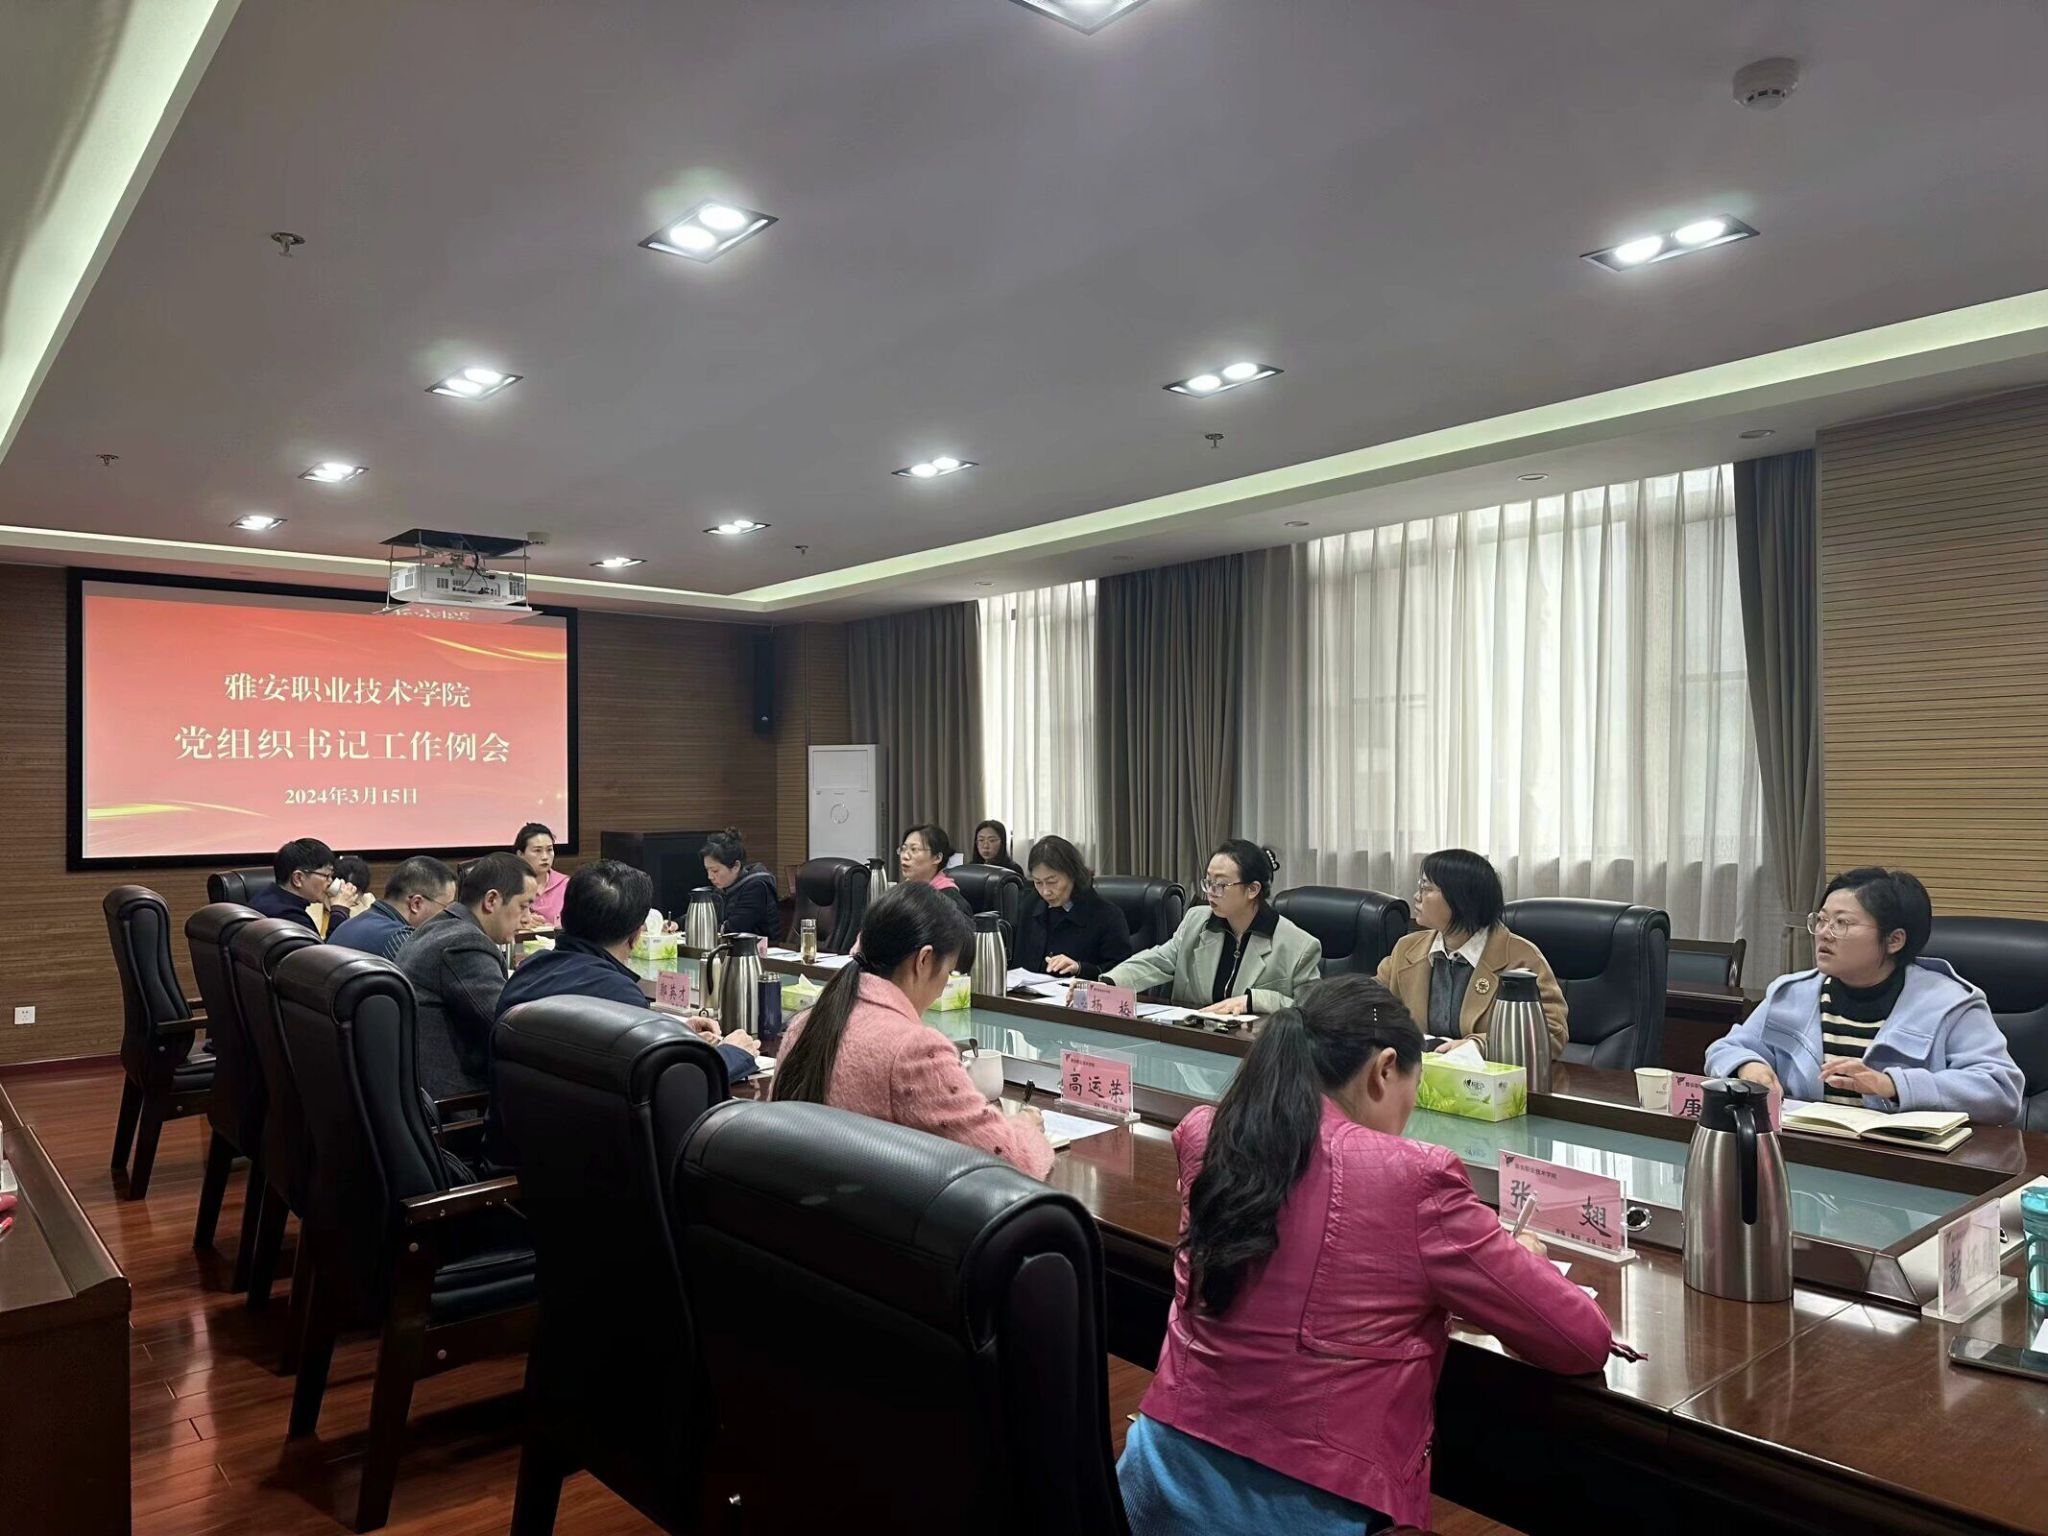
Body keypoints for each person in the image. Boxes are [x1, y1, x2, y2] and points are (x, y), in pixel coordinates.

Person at [1119, 976, 1610, 1535]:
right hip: (1302, 1513)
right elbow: (1581, 1340)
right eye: (1413, 1090)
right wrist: (1525, 1259)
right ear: (1385, 1069)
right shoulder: (1415, 1176)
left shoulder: (1212, 1137)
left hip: (1150, 1488)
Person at [774, 882, 1053, 1177]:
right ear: (924, 960)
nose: (944, 986)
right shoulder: (915, 1049)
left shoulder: (806, 1023)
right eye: (948, 973)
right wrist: (1027, 1126)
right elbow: (1014, 1164)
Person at [1705, 866, 2023, 1123]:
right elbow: (1726, 1048)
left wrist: (1893, 1085)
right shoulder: (1792, 993)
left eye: (1842, 923)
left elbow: (2000, 1090)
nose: (1824, 933)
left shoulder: (1950, 1004)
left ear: (1894, 940)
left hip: (1909, 1165)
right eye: (1822, 920)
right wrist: (1749, 1066)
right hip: (1807, 1155)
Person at [498, 859, 757, 1083]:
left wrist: (673, 1032)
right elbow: (667, 1083)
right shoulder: (619, 998)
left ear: (565, 917)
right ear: (635, 935)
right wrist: (732, 1055)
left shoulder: (527, 972)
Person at [1376, 849, 1568, 1057]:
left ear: (1460, 898)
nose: (1417, 896)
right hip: (1421, 1072)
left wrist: (1480, 1046)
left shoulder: (1521, 958)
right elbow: (1370, 1004)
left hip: (1488, 1075)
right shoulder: (1407, 948)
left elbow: (1551, 1033)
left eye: (1426, 888)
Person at [1104, 841, 1321, 1016]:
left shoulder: (1298, 946)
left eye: (1221, 885)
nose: (1210, 892)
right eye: (1208, 882)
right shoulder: (1197, 921)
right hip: (1194, 1044)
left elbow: (1312, 1010)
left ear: (1253, 889)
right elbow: (1158, 961)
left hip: (1255, 1050)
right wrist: (1109, 982)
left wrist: (1255, 1001)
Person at [397, 851, 537, 1102]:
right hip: (453, 1103)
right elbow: (508, 1027)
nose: (527, 918)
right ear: (491, 900)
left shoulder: (437, 926)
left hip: (416, 1091)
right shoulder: (465, 943)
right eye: (523, 906)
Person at [1014, 835, 1135, 980]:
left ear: (1072, 875)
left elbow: (1122, 975)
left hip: (1079, 993)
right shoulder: (1030, 905)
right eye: (1038, 882)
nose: (1045, 892)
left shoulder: (1107, 915)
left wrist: (1080, 968)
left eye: (1052, 882)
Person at [329, 855, 457, 960]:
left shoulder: (348, 925)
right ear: (416, 904)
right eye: (446, 907)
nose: (449, 915)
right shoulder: (400, 939)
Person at [702, 827, 781, 940]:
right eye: (707, 870)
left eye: (715, 871)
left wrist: (698, 928)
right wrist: (678, 924)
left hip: (761, 949)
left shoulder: (756, 886)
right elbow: (705, 915)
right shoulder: (724, 887)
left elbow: (734, 928)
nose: (710, 876)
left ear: (736, 866)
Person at [247, 838, 336, 932]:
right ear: (298, 878)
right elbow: (333, 942)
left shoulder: (265, 897)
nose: (330, 882)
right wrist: (339, 911)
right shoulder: (289, 917)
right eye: (327, 876)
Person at [896, 823, 973, 918]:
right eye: (903, 849)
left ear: (937, 857)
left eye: (914, 849)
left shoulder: (950, 903)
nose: (905, 856)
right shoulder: (902, 892)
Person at [514, 822, 568, 928]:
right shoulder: (509, 886)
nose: (545, 857)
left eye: (549, 850)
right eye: (537, 850)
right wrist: (520, 922)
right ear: (520, 854)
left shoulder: (566, 885)